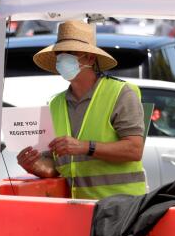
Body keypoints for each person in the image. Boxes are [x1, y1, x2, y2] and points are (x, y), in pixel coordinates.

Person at [16, 20, 147, 199]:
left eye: (70, 52)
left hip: (122, 208)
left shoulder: (121, 93)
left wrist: (84, 147)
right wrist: (33, 165)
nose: (62, 58)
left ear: (90, 58)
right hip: (78, 210)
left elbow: (134, 150)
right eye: (59, 53)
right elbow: (54, 167)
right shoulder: (55, 104)